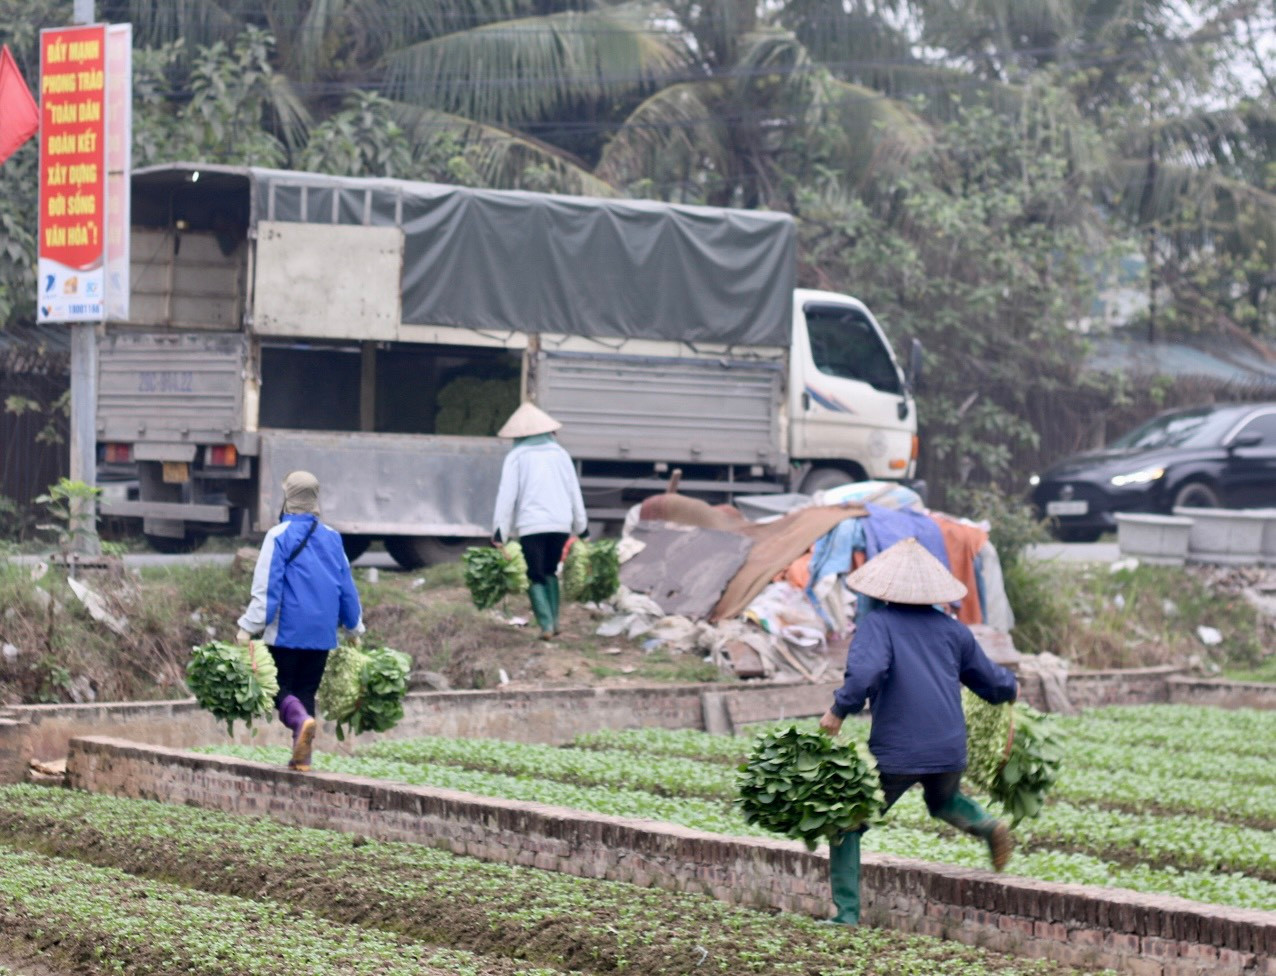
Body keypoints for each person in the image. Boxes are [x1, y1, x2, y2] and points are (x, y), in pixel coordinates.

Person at [818, 536, 1018, 926]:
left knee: (846, 822)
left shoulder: (878, 625)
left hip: (900, 750)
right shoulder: (952, 630)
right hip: (948, 748)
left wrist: (838, 711)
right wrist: (1011, 687)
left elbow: (865, 674)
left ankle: (845, 915)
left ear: (882, 591)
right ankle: (988, 826)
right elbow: (990, 681)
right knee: (943, 800)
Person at [236, 470, 363, 771]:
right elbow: (347, 588)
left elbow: (267, 589)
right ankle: (302, 757)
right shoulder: (333, 538)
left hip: (287, 632)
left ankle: (301, 721)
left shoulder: (278, 536)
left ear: (288, 498)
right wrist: (354, 628)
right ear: (315, 499)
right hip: (322, 636)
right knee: (305, 691)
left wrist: (247, 628)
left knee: (278, 689)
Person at [491, 402, 588, 640]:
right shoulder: (561, 454)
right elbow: (574, 491)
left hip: (531, 525)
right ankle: (554, 623)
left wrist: (499, 533)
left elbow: (507, 496)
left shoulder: (516, 456)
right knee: (550, 571)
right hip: (560, 524)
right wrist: (581, 527)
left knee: (535, 574)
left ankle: (545, 625)